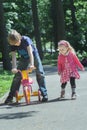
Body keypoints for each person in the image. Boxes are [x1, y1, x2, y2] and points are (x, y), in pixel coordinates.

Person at [5, 29, 48, 104]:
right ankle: (10, 97)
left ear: (19, 38)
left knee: (40, 73)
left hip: (34, 56)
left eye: (17, 42)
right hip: (24, 58)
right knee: (17, 76)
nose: (16, 45)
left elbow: (30, 53)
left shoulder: (25, 40)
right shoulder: (13, 45)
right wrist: (14, 67)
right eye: (14, 44)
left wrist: (32, 64)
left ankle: (44, 93)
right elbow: (14, 57)